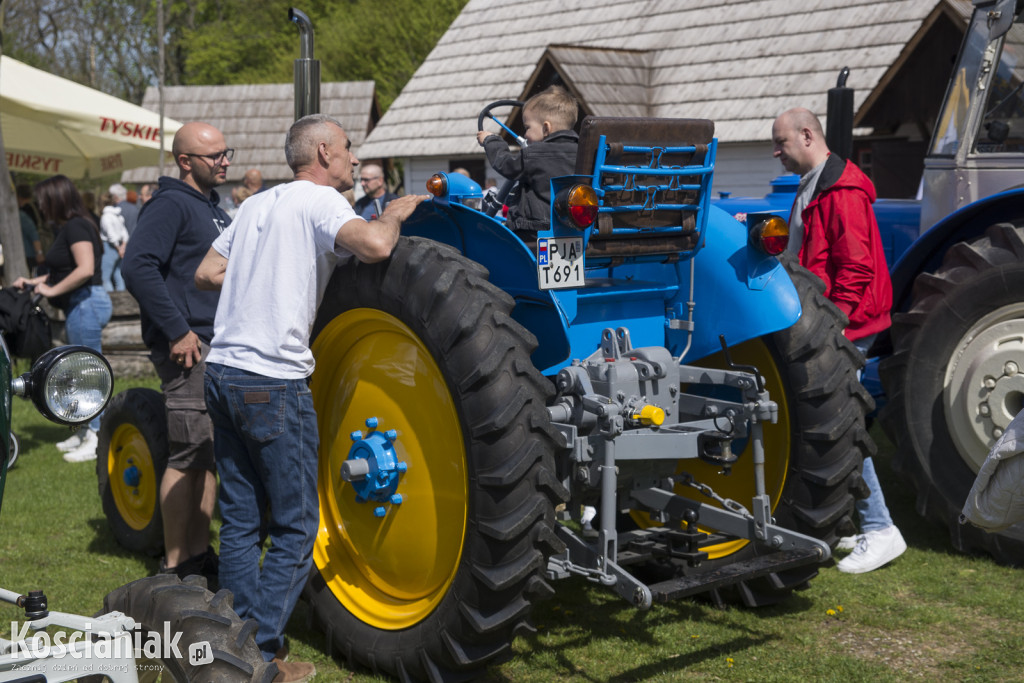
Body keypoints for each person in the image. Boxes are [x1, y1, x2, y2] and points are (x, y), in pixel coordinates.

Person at [195, 113, 426, 681]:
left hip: (222, 371)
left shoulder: (255, 205)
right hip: (271, 380)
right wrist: (392, 213)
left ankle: (232, 647)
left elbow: (208, 271)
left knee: (243, 522)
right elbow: (373, 247)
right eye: (348, 149)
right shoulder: (321, 202)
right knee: (299, 527)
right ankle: (262, 655)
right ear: (323, 152)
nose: (352, 159)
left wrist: (266, 271)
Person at [771, 107, 904, 574]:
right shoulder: (815, 185)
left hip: (845, 325)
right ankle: (857, 523)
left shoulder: (842, 192)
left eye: (781, 142)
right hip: (829, 322)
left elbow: (856, 267)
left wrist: (835, 325)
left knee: (841, 425)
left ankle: (881, 529)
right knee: (841, 422)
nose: (776, 151)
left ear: (807, 136)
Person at [121, 122, 232, 583]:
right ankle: (172, 566)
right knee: (188, 454)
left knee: (207, 453)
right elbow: (137, 266)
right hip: (189, 348)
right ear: (185, 161)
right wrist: (178, 330)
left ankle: (198, 556)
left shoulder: (214, 208)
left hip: (218, 343)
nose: (225, 161)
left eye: (228, 153)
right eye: (215, 156)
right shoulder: (168, 204)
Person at [13, 175, 111, 462]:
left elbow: (84, 269)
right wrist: (34, 282)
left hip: (87, 304)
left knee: (87, 374)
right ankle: (84, 432)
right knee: (77, 372)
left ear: (56, 199)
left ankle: (96, 436)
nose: (40, 207)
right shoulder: (72, 226)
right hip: (81, 305)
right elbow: (64, 269)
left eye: (43, 201)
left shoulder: (77, 226)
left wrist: (50, 289)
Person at [476, 84, 579, 239]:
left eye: (527, 127)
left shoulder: (535, 153)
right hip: (573, 226)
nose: (525, 134)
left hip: (534, 230)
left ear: (546, 128)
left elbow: (506, 164)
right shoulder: (583, 151)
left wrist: (491, 140)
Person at [98, 192, 128, 291]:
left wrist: (118, 248)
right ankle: (123, 298)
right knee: (117, 274)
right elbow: (124, 233)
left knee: (105, 278)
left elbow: (111, 236)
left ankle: (112, 300)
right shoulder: (118, 215)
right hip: (119, 246)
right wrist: (123, 246)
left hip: (110, 247)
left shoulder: (105, 217)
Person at [17, 186, 44, 273]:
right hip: (28, 252)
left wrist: (39, 253)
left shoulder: (22, 214)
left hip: (28, 252)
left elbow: (33, 234)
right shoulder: (30, 208)